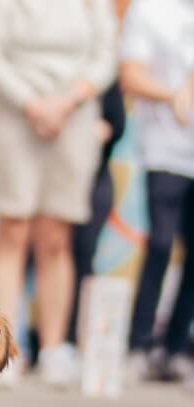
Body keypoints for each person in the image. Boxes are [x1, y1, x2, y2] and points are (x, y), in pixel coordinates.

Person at [0, 0, 118, 386]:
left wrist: (67, 102)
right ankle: (3, 346)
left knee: (56, 236)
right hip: (15, 112)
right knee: (13, 229)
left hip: (74, 115)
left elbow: (105, 54)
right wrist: (32, 103)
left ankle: (55, 348)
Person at [120, 0, 194, 382]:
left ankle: (178, 348)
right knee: (162, 244)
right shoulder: (150, 9)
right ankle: (140, 343)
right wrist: (174, 95)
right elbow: (130, 76)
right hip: (166, 149)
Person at [67, 81, 126, 344]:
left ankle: (73, 338)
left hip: (94, 178)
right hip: (58, 173)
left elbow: (117, 125)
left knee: (84, 257)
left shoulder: (103, 76)